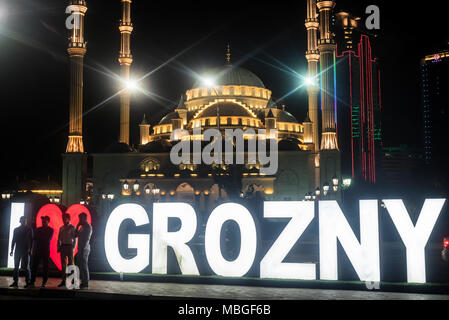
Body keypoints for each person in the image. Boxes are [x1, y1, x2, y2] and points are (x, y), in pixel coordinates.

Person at [29, 216, 54, 288]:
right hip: (38, 249)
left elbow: (47, 239)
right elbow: (34, 238)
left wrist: (39, 237)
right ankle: (32, 281)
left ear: (48, 221)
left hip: (45, 250)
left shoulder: (50, 230)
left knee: (45, 267)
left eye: (44, 221)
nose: (43, 222)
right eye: (42, 221)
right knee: (35, 266)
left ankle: (44, 282)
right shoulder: (38, 229)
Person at [9, 216, 33, 288]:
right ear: (20, 221)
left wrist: (31, 250)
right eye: (23, 221)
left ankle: (28, 282)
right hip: (18, 249)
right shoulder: (17, 229)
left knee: (26, 267)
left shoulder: (29, 229)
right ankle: (16, 281)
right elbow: (14, 240)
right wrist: (12, 249)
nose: (24, 222)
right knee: (16, 267)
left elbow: (32, 240)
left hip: (25, 250)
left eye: (25, 221)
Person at [57, 213, 77, 287]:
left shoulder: (72, 227)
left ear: (68, 219)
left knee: (71, 264)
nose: (63, 220)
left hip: (69, 246)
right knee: (63, 265)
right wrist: (58, 247)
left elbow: (75, 239)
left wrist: (73, 248)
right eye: (63, 218)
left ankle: (73, 280)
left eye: (65, 218)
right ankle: (64, 280)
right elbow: (59, 238)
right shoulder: (61, 228)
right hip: (63, 246)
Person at [75, 213, 92, 289]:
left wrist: (82, 249)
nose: (79, 220)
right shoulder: (81, 227)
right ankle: (83, 281)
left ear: (84, 218)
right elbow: (75, 235)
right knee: (81, 265)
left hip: (84, 248)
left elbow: (86, 239)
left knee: (84, 265)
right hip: (80, 248)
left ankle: (86, 282)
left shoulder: (88, 227)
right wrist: (77, 226)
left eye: (80, 218)